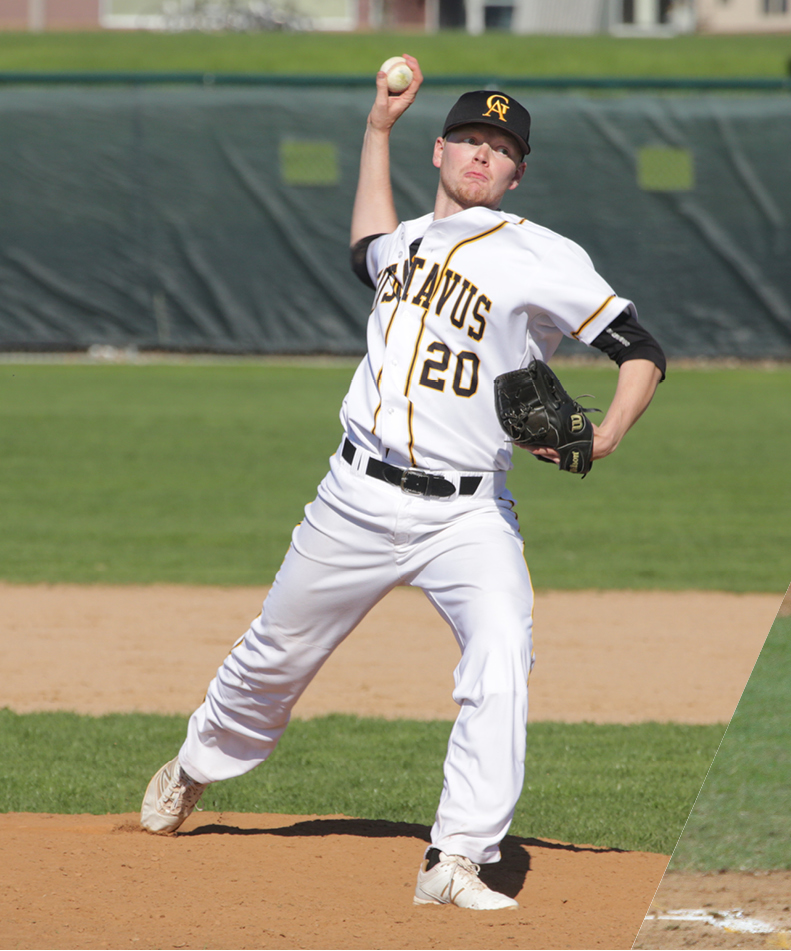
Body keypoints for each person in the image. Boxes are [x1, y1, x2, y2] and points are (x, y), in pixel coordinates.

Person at [138, 58, 666, 911]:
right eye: (469, 138)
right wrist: (376, 130)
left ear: (519, 170)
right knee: (274, 657)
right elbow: (363, 250)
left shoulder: (544, 256)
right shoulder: (409, 244)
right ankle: (197, 764)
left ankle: (455, 858)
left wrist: (607, 432)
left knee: (502, 659)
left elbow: (642, 348)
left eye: (501, 146)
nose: (483, 154)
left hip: (468, 511)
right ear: (441, 151)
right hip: (354, 497)